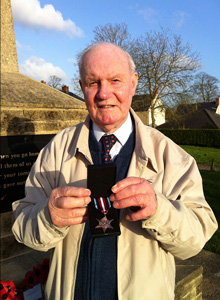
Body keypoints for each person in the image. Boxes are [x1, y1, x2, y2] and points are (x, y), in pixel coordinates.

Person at [12, 42, 218, 300]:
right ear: (82, 87)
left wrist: (159, 210)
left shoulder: (171, 156)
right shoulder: (56, 150)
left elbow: (196, 239)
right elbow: (22, 226)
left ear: (133, 83)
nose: (103, 93)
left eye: (115, 80)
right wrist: (47, 217)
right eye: (93, 82)